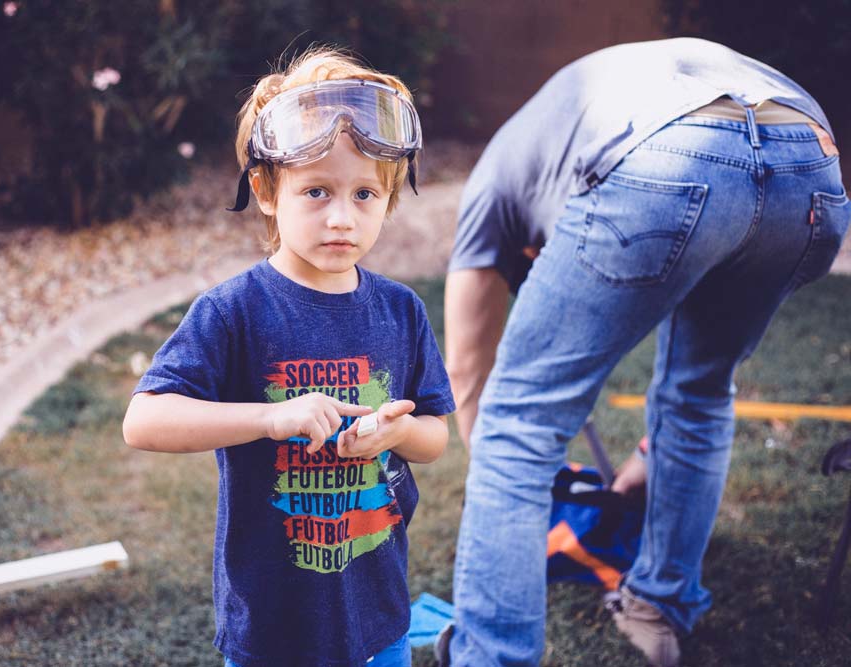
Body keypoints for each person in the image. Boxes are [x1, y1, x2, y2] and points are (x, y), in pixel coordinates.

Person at [441, 37, 850, 666]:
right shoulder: (554, 135)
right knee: (702, 390)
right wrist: (647, 453)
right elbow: (729, 195)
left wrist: (516, 479)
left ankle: (488, 655)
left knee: (518, 422)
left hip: (665, 152)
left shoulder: (493, 182)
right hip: (810, 168)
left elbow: (470, 374)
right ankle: (657, 610)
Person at [122, 49, 456, 667]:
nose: (341, 218)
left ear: (389, 198)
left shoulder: (402, 311)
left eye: (364, 194)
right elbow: (143, 421)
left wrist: (398, 432)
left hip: (379, 619)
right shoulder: (234, 311)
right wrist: (270, 418)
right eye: (316, 191)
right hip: (272, 627)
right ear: (266, 190)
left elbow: (434, 438)